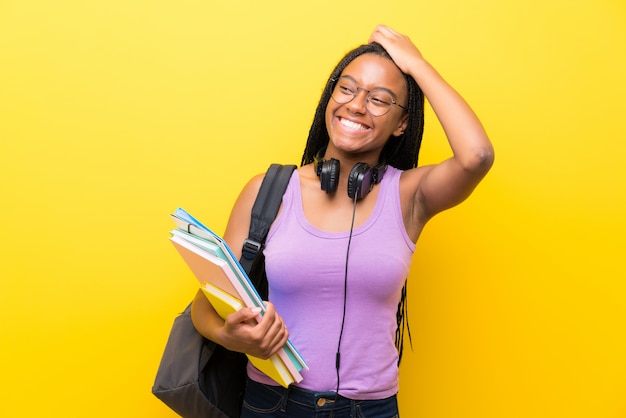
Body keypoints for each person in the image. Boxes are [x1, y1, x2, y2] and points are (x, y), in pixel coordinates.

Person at [191, 24, 494, 417]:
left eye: (380, 99)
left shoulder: (409, 196)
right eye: (347, 89)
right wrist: (231, 337)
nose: (356, 105)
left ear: (402, 124)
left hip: (370, 410)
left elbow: (477, 156)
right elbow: (205, 305)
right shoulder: (268, 190)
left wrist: (418, 66)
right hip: (272, 404)